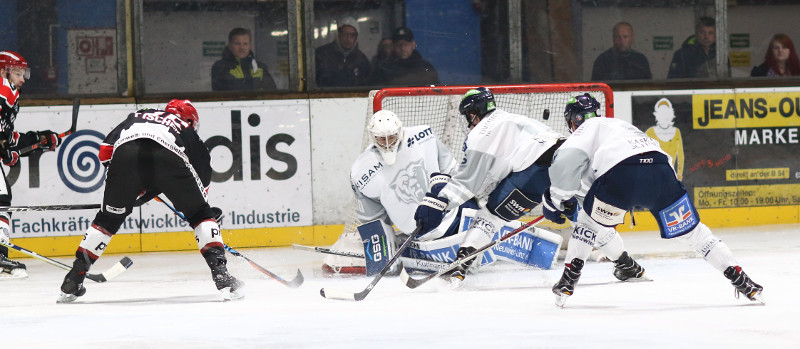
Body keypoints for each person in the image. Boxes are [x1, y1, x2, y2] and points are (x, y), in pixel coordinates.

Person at [542, 93, 764, 306]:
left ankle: (568, 280)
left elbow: (567, 162)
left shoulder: (586, 129)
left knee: (588, 224)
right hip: (660, 173)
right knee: (696, 234)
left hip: (621, 176)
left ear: (573, 120)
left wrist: (556, 199)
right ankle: (742, 280)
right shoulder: (620, 126)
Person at [57, 99, 243, 303]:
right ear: (189, 120)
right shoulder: (183, 126)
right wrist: (198, 208)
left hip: (124, 157)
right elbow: (202, 174)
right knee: (200, 215)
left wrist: (133, 186)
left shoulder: (138, 114)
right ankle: (221, 275)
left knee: (107, 220)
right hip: (168, 157)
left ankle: (73, 280)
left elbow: (105, 153)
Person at [414, 87, 565, 283]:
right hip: (567, 157)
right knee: (587, 215)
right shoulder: (510, 118)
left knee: (490, 216)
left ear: (472, 114)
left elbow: (467, 182)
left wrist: (439, 204)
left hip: (537, 171)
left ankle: (459, 266)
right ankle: (619, 259)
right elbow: (502, 168)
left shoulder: (480, 134)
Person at [322, 109, 473, 274]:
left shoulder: (424, 136)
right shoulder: (361, 170)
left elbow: (454, 173)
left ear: (400, 131)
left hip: (455, 219)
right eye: (381, 138)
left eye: (392, 137)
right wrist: (383, 260)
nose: (387, 143)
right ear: (372, 136)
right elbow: (375, 223)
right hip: (419, 237)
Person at [0, 51, 62, 278]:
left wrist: (39, 140)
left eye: (23, 72)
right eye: (17, 72)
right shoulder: (2, 89)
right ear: (3, 71)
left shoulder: (10, 92)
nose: (23, 78)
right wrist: (4, 150)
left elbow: (6, 137)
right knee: (1, 200)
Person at [369, 27, 440, 87]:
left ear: (413, 45)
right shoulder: (382, 70)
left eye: (406, 44)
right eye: (399, 44)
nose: (402, 48)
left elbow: (436, 91)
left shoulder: (425, 68)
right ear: (393, 46)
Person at [211, 27, 277, 91]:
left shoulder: (260, 67)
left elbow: (272, 92)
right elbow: (221, 94)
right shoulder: (220, 67)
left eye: (245, 44)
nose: (242, 48)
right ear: (230, 45)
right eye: (237, 44)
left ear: (250, 45)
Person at [315, 17, 371, 87]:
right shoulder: (321, 55)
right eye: (345, 34)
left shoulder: (362, 61)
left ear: (356, 37)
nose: (348, 39)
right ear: (338, 34)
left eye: (352, 35)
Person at [645, 98, 684, 180]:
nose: (664, 117)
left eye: (666, 113)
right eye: (661, 114)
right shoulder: (650, 132)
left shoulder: (676, 132)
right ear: (657, 115)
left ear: (671, 114)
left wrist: (679, 175)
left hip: (670, 177)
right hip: (652, 177)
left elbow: (680, 156)